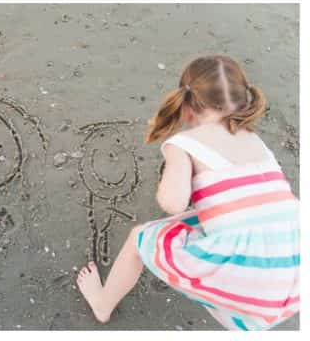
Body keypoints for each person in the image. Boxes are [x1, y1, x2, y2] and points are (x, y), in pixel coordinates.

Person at [76, 55, 299, 330]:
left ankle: (103, 305)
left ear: (188, 103)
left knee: (139, 239)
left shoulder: (185, 143)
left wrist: (169, 179)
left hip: (249, 268)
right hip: (295, 270)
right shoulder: (256, 141)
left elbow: (172, 203)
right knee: (233, 241)